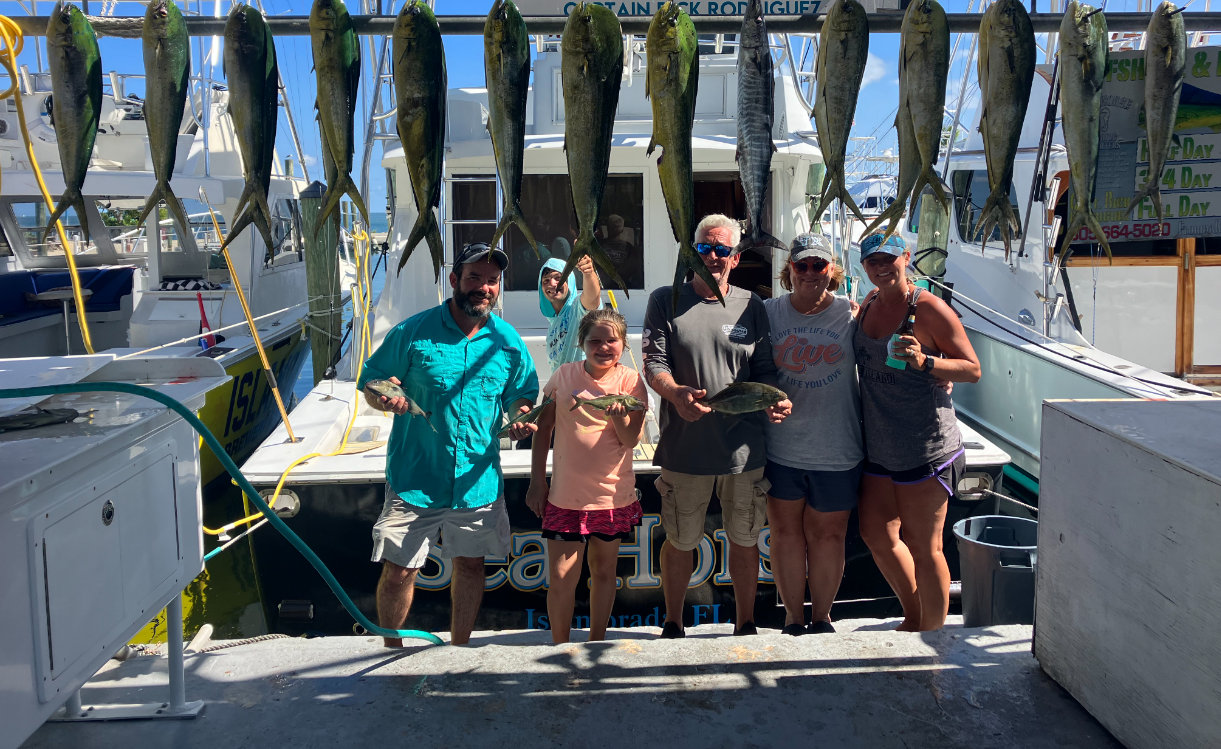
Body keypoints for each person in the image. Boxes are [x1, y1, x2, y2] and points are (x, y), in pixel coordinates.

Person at [360, 242, 541, 646]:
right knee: (399, 570)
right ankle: (391, 648)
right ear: (455, 280)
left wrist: (521, 416)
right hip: (415, 479)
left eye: (492, 280)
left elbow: (522, 394)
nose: (484, 287)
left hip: (477, 482)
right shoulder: (413, 331)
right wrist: (385, 397)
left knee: (471, 567)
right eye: (475, 277)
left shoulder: (508, 342)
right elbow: (372, 380)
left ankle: (459, 649)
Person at [642, 213, 792, 639]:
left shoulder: (753, 305)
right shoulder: (663, 299)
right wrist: (673, 394)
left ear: (736, 257)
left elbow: (765, 370)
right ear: (692, 251)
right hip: (683, 449)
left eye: (722, 249)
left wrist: (774, 401)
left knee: (744, 542)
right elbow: (655, 364)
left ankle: (745, 625)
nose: (712, 255)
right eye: (705, 247)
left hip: (744, 453)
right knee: (680, 541)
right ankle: (673, 623)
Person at [852, 233, 981, 632]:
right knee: (875, 532)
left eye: (889, 258)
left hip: (926, 445)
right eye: (872, 260)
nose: (881, 267)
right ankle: (914, 614)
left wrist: (926, 362)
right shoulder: (870, 303)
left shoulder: (928, 309)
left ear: (906, 258)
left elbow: (972, 369)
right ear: (864, 265)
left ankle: (934, 636)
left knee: (926, 547)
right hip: (879, 444)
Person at [525, 308, 647, 643]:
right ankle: (560, 645)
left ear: (623, 344)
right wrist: (537, 481)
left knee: (604, 572)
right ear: (582, 343)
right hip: (565, 498)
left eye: (612, 340)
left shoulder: (632, 382)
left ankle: (596, 641)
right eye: (595, 340)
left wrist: (620, 416)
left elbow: (631, 440)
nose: (604, 346)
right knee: (562, 576)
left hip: (611, 497)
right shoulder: (562, 377)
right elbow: (543, 428)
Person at [763, 233, 863, 636]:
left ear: (832, 270)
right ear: (789, 269)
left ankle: (822, 618)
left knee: (828, 535)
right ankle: (792, 618)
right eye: (801, 265)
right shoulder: (767, 312)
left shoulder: (853, 313)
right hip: (781, 448)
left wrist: (937, 377)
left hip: (838, 448)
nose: (809, 273)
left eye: (818, 265)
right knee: (786, 535)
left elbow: (892, 345)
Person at [539, 255, 602, 371]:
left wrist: (589, 273)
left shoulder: (578, 309)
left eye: (558, 278)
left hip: (584, 388)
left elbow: (592, 298)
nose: (552, 284)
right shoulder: (552, 327)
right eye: (546, 280)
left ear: (570, 281)